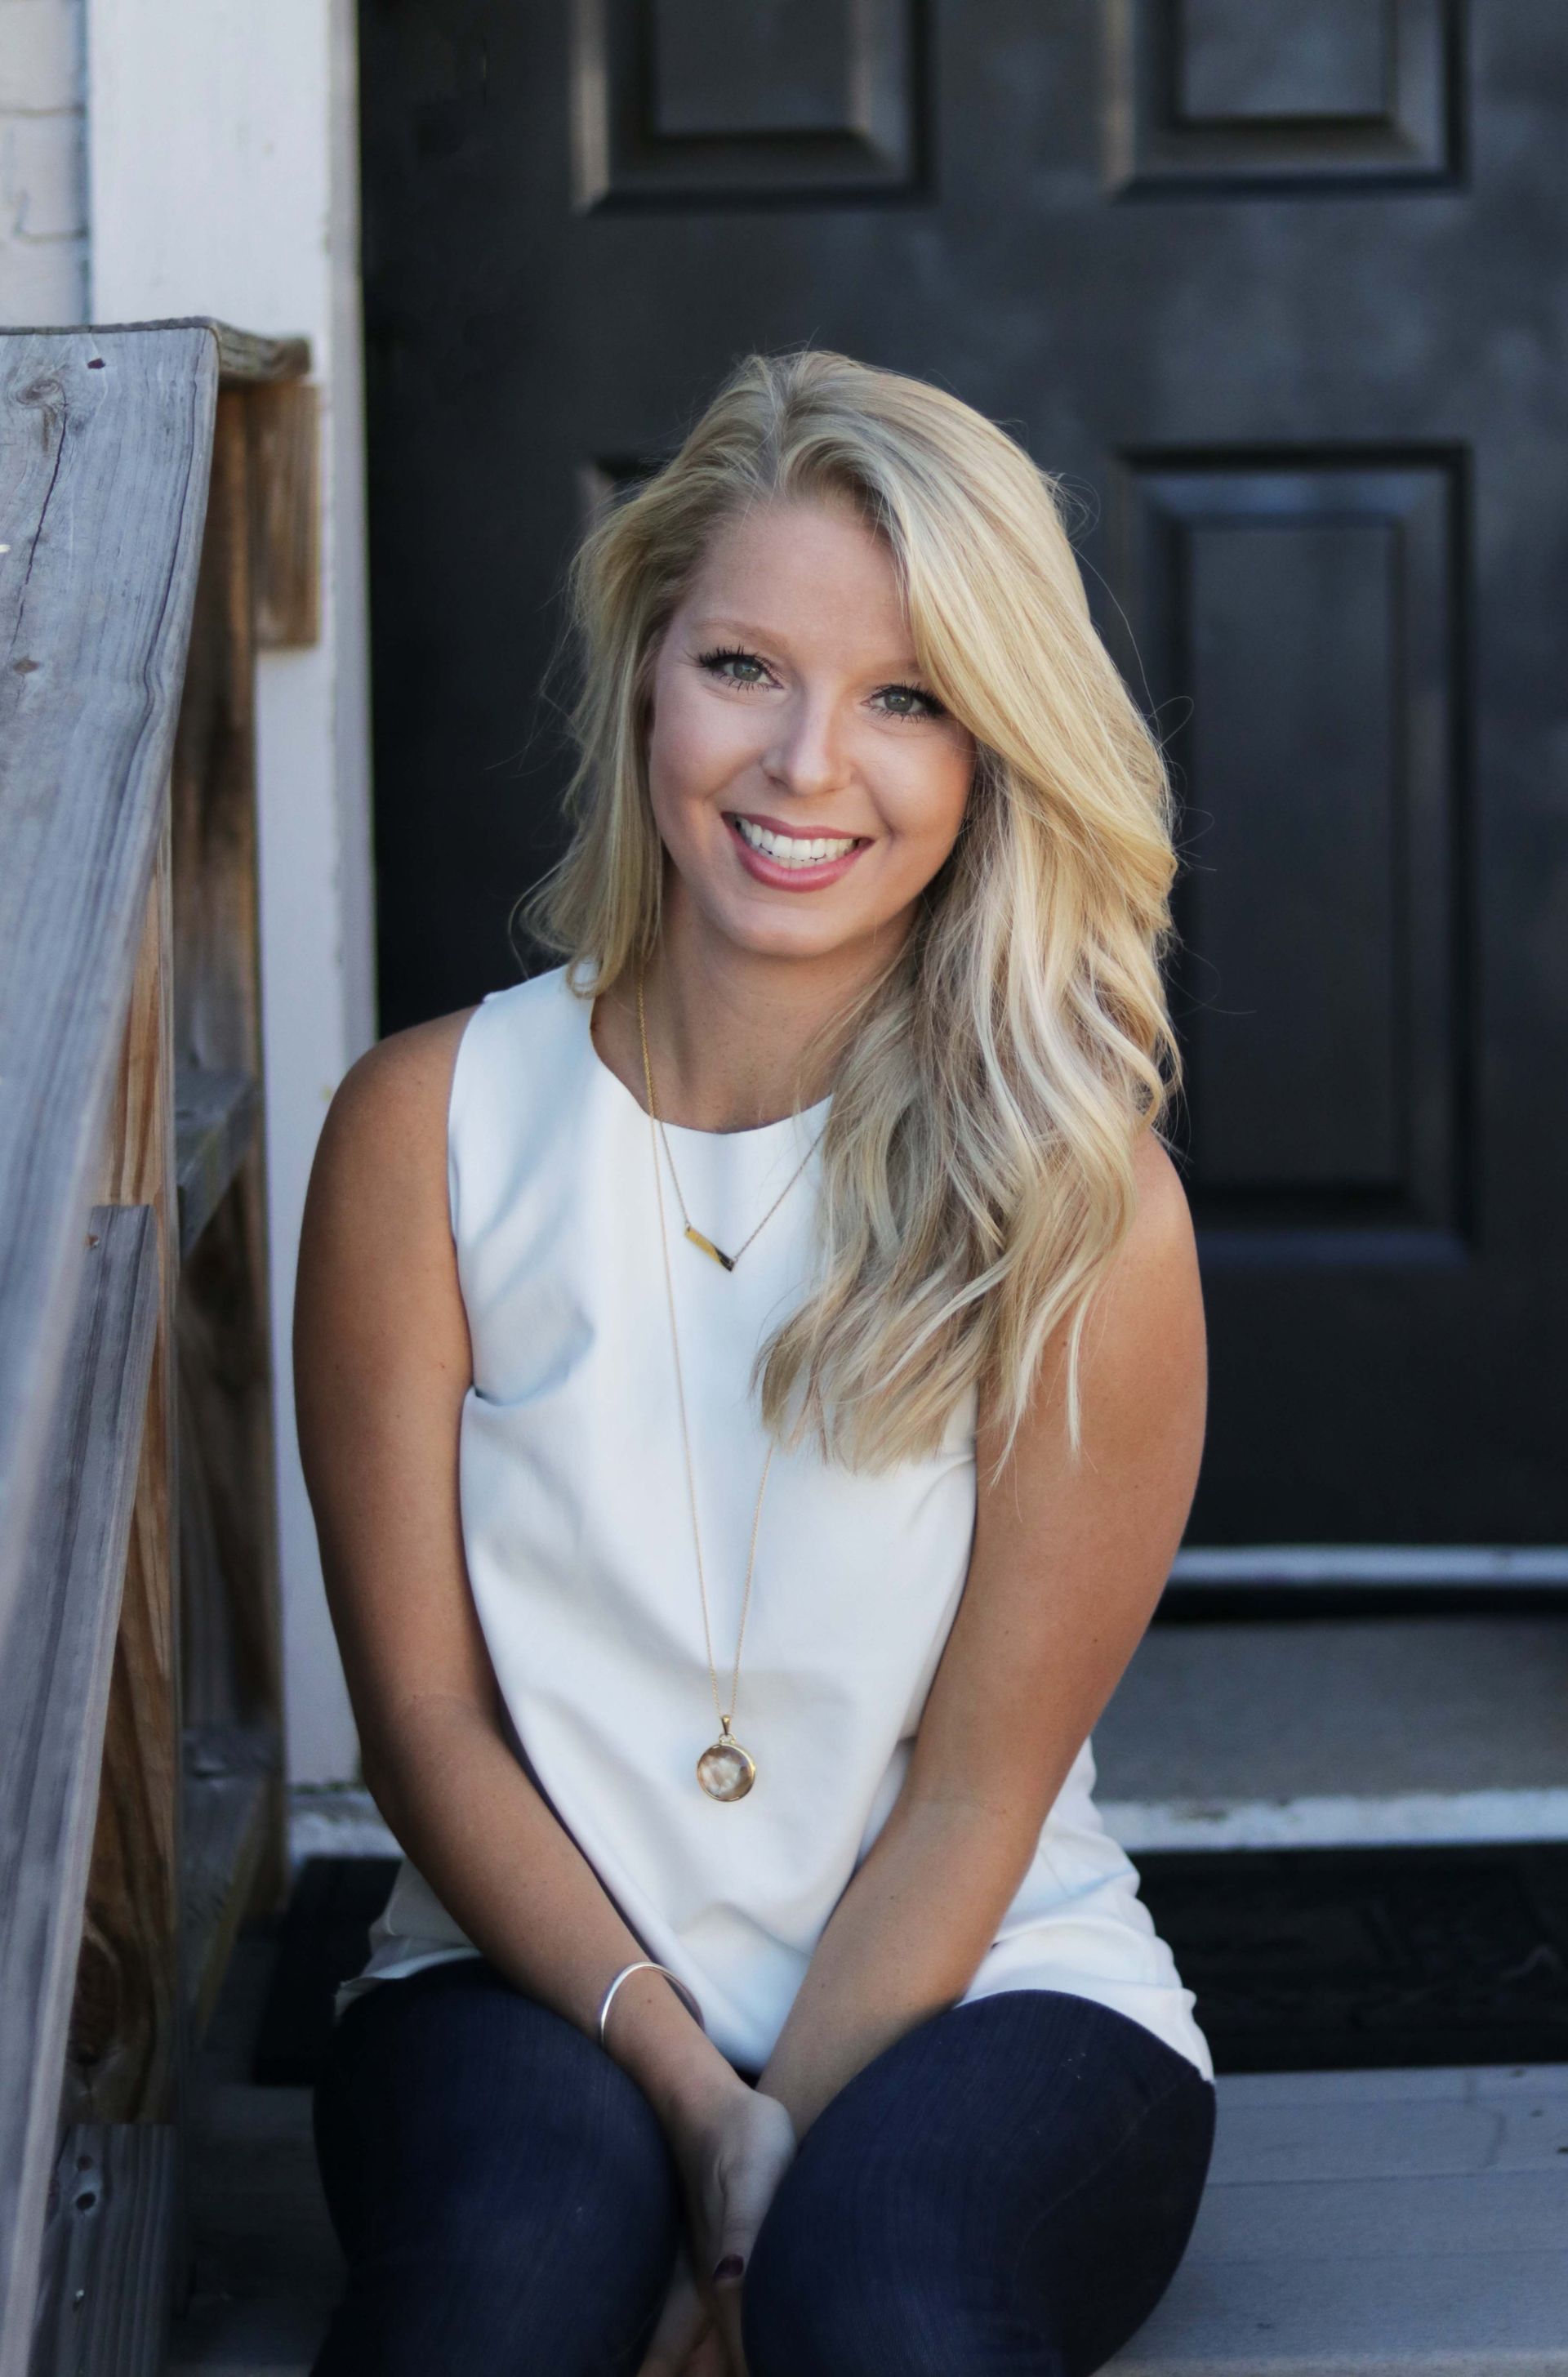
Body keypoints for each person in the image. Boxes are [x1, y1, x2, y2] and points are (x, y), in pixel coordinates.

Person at [295, 347, 1216, 2377]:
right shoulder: (424, 1134)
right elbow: (426, 1722)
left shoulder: (1084, 1207)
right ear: (646, 676)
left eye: (906, 700)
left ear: (992, 758)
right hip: (522, 1985)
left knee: (883, 2312)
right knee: (499, 2295)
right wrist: (692, 2104)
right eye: (745, 668)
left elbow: (980, 1795)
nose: (809, 766)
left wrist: (765, 2193)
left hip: (988, 1992)